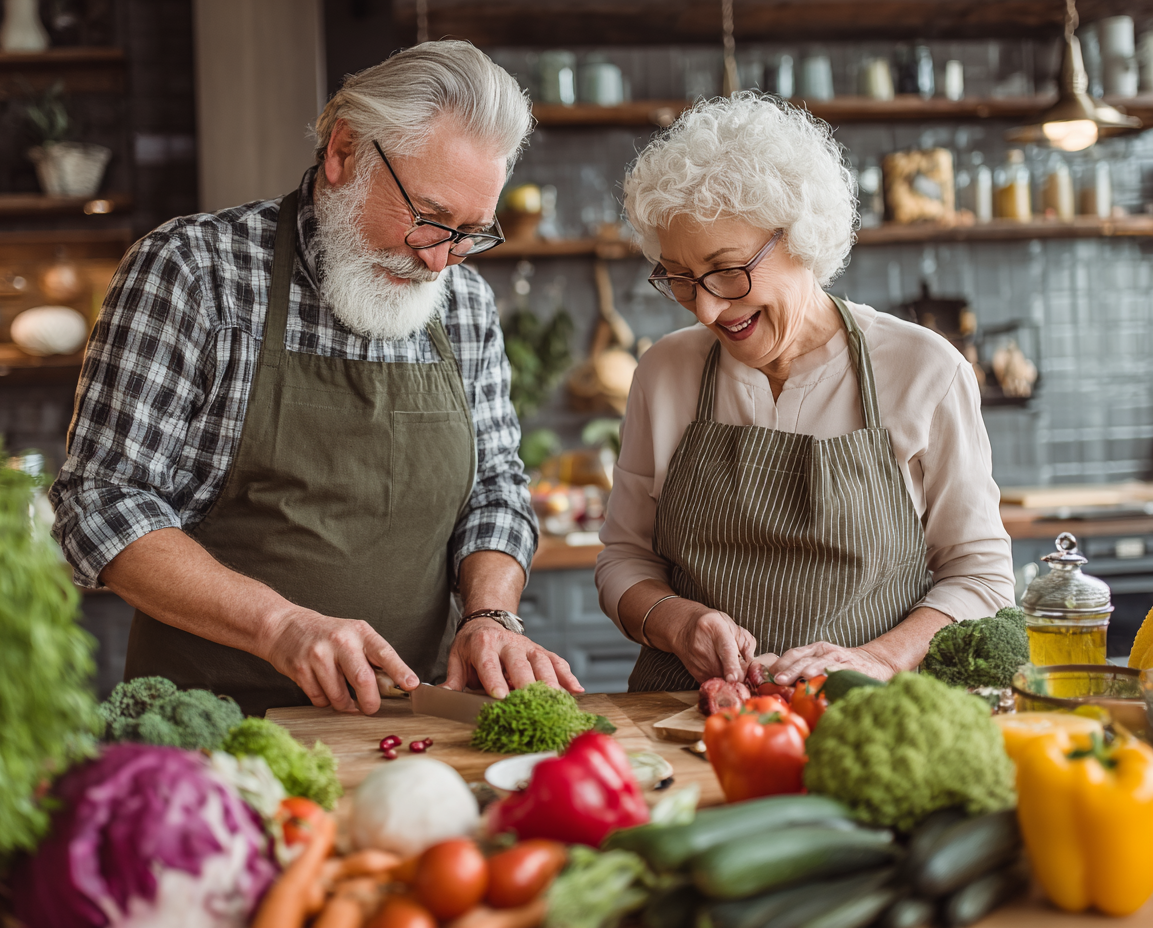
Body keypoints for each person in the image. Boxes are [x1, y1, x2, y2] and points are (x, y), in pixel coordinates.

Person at [50, 41, 581, 717]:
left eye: (471, 232)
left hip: (414, 726)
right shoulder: (193, 271)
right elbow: (100, 502)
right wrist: (280, 626)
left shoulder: (466, 304)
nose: (442, 258)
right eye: (428, 216)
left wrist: (491, 615)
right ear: (344, 153)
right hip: (215, 725)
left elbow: (497, 488)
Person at [595, 94, 1014, 692]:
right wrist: (676, 621)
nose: (708, 307)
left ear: (802, 237)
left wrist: (880, 659)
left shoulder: (924, 369)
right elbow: (623, 560)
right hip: (684, 718)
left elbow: (981, 576)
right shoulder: (665, 372)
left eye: (727, 270)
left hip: (864, 718)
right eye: (681, 279)